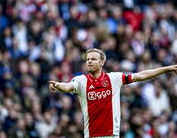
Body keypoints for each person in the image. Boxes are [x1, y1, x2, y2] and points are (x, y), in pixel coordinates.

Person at [49, 48, 177, 138]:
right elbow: (67, 86)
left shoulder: (113, 78)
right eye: (87, 59)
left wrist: (166, 69)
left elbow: (140, 76)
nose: (89, 61)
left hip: (112, 134)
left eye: (93, 59)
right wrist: (58, 85)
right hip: (91, 135)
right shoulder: (81, 80)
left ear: (101, 63)